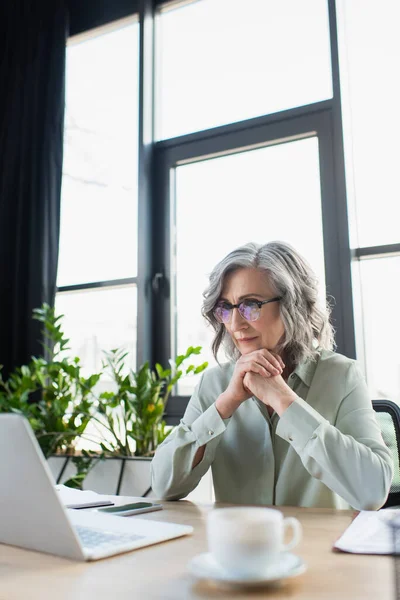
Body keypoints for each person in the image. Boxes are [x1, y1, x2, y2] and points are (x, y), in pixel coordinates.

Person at [151, 241, 393, 510]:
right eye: (226, 307)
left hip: (317, 549)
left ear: (292, 304)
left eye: (250, 304)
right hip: (240, 548)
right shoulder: (214, 384)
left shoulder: (341, 375)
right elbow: (163, 486)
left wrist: (286, 401)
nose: (235, 324)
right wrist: (225, 405)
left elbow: (373, 491)